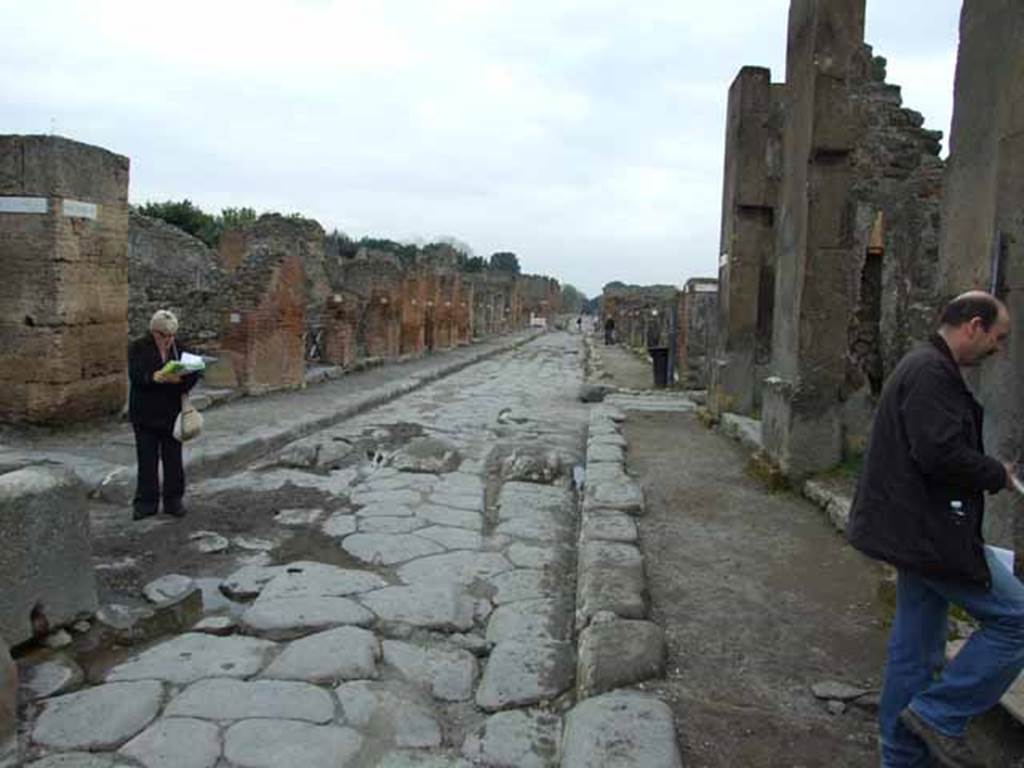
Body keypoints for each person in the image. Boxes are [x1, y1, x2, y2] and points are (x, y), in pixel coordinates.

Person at [847, 291, 1021, 767]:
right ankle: (939, 715)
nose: (998, 350)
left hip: (913, 531)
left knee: (916, 650)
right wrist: (996, 474)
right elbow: (938, 453)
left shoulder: (925, 366)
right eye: (998, 338)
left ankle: (901, 755)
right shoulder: (930, 373)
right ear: (973, 326)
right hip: (929, 534)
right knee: (1017, 620)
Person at [128, 310, 199, 520]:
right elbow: (136, 376)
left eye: (171, 336)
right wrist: (154, 377)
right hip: (145, 414)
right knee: (147, 460)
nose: (168, 340)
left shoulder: (180, 349)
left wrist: (180, 380)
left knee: (173, 459)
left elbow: (194, 374)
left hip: (171, 413)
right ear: (154, 332)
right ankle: (145, 503)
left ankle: (173, 500)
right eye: (163, 335)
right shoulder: (139, 347)